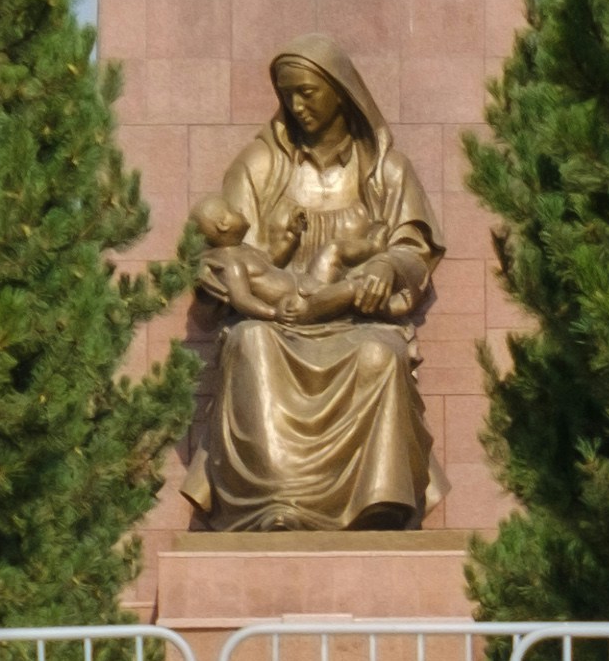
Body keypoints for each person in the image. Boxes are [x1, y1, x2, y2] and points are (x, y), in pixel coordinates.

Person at [182, 41, 443, 531]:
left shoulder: (386, 169)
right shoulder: (259, 165)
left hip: (356, 318)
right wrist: (255, 259)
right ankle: (271, 504)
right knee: (250, 344)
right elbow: (224, 255)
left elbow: (414, 248)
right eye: (288, 96)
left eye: (307, 93)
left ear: (341, 93)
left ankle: (378, 500)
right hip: (279, 316)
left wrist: (386, 269)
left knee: (379, 355)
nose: (297, 106)